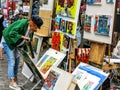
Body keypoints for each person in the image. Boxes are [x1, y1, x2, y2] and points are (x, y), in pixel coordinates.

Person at [1, 15, 43, 90]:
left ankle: (15, 81)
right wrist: (23, 37)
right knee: (12, 61)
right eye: (36, 27)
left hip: (15, 44)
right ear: (32, 23)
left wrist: (29, 51)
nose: (36, 29)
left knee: (17, 61)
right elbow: (12, 33)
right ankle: (12, 82)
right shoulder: (23, 23)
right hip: (8, 41)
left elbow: (27, 41)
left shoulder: (31, 30)